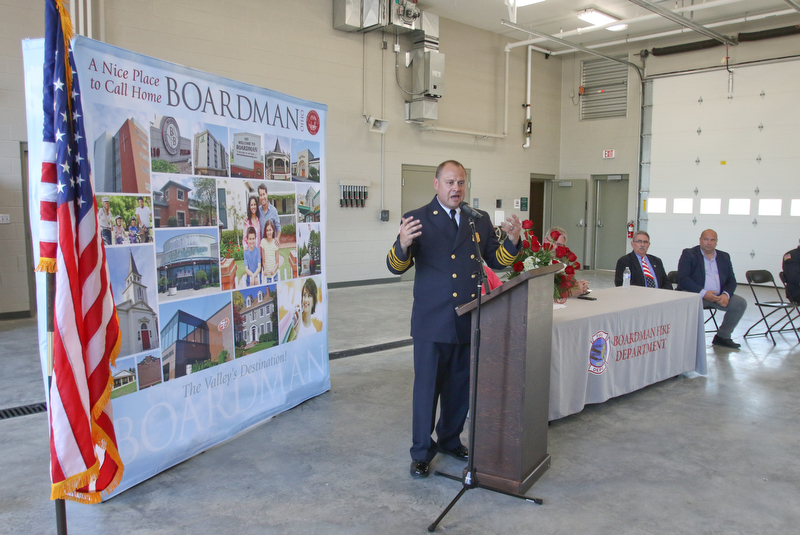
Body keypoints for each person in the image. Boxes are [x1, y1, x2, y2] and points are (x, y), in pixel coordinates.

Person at [386, 160, 521, 479]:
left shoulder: (479, 219)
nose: (456, 188)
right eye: (449, 182)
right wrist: (402, 244)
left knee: (460, 387)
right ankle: (421, 451)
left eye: (461, 182)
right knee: (427, 389)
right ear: (436, 184)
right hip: (433, 321)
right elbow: (395, 267)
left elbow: (497, 260)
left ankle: (449, 439)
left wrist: (512, 241)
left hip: (468, 317)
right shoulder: (417, 219)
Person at [677, 229, 747, 349]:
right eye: (706, 239)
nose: (709, 243)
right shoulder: (689, 254)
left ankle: (723, 336)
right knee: (690, 303)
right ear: (700, 240)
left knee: (740, 303)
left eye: (712, 240)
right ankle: (688, 340)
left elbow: (731, 280)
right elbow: (683, 279)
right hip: (695, 295)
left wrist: (726, 294)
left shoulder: (724, 256)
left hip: (719, 296)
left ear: (716, 242)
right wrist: (704, 293)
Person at [544, 226, 589, 296]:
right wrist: (570, 292)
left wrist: (580, 285)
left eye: (559, 244)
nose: (555, 247)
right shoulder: (537, 259)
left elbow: (571, 281)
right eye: (553, 242)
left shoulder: (563, 258)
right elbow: (542, 290)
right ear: (545, 240)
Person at [260, 219, 280, 283]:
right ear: (265, 231)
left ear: (273, 230)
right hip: (267, 278)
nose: (268, 232)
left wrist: (274, 269)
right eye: (267, 230)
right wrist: (265, 269)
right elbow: (263, 261)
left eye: (270, 230)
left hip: (274, 276)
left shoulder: (275, 243)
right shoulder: (263, 242)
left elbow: (277, 262)